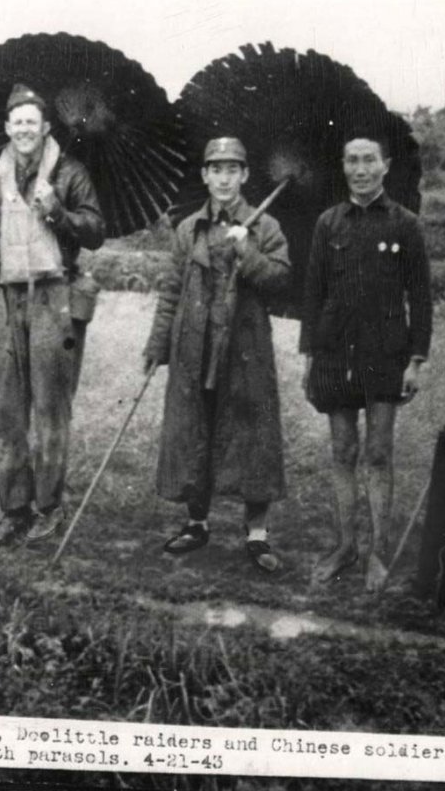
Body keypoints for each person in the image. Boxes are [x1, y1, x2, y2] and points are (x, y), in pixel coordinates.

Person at [143, 136, 290, 572]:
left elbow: (281, 280)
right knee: (194, 431)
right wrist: (157, 344)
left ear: (244, 176)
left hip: (244, 351)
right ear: (205, 176)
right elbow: (171, 290)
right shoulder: (188, 229)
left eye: (232, 169)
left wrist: (248, 251)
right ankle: (196, 522)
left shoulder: (266, 227)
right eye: (216, 169)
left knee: (253, 436)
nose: (224, 178)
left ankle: (258, 534)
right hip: (195, 346)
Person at [0, 84, 105, 547]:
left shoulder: (71, 173)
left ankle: (49, 508)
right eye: (17, 122)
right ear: (8, 128)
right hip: (7, 300)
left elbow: (95, 232)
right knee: (8, 412)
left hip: (54, 297)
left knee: (50, 409)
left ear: (46, 128)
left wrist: (58, 212)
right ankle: (13, 509)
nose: (24, 129)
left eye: (32, 122)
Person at [300, 136, 432, 592]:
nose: (360, 169)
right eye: (352, 160)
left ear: (385, 166)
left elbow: (421, 297)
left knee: (378, 453)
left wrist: (415, 360)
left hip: (385, 354)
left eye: (369, 160)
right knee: (342, 452)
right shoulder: (328, 223)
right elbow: (313, 295)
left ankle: (377, 551)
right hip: (335, 354)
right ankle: (345, 546)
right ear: (343, 166)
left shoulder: (405, 224)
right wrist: (310, 356)